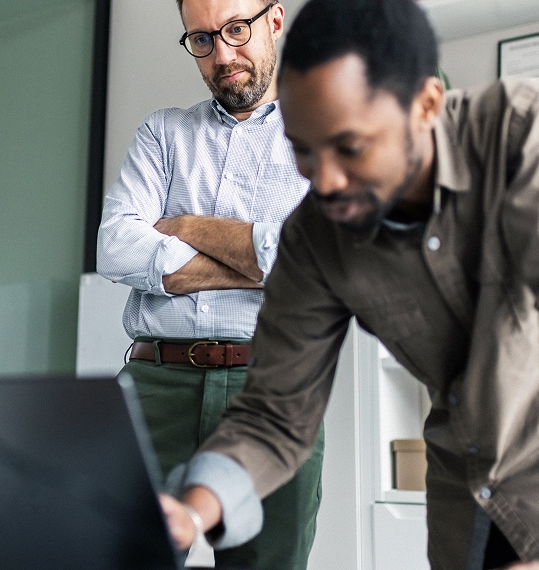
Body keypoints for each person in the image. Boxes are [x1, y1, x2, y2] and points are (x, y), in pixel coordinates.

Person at [157, 0, 539, 568]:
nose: (327, 182)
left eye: (351, 147)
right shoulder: (317, 235)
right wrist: (190, 511)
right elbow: (274, 416)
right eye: (304, 151)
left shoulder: (520, 136)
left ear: (427, 104)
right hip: (468, 492)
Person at [96, 1, 324, 569]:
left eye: (237, 29)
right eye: (201, 40)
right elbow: (116, 247)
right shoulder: (163, 134)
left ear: (274, 21)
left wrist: (185, 228)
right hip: (153, 383)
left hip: (270, 389)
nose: (223, 55)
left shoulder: (324, 136)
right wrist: (259, 255)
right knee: (108, 554)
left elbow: (318, 261)